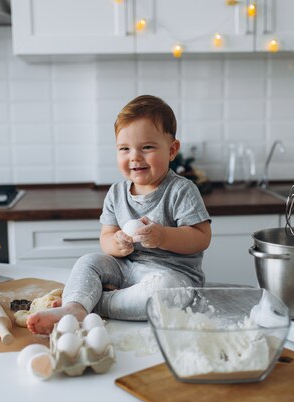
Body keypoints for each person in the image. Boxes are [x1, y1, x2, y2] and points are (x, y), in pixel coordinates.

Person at [27, 95, 212, 334]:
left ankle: (94, 304)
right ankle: (74, 305)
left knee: (164, 291)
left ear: (172, 150)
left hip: (172, 275)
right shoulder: (116, 192)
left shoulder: (182, 190)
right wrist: (116, 244)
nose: (134, 156)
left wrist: (162, 237)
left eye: (147, 147)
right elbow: (106, 238)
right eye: (124, 149)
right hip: (124, 269)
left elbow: (201, 237)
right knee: (88, 261)